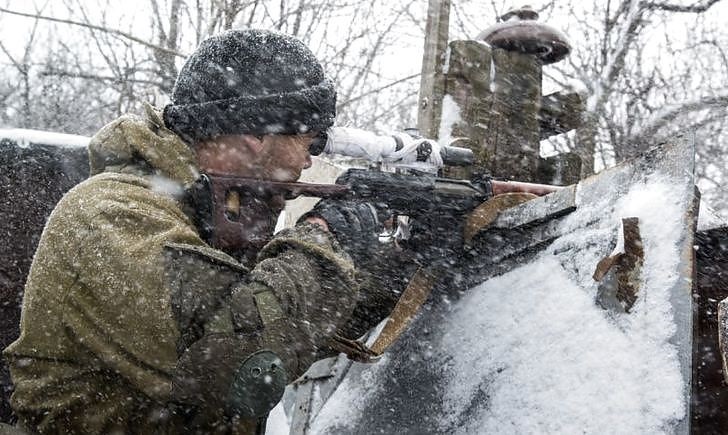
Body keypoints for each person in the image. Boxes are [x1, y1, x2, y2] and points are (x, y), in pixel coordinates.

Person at [3, 29, 410, 434]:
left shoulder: (209, 212)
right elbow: (237, 359)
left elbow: (297, 331)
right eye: (310, 141)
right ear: (255, 133)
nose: (307, 161)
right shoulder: (112, 213)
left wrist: (405, 263)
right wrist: (322, 236)